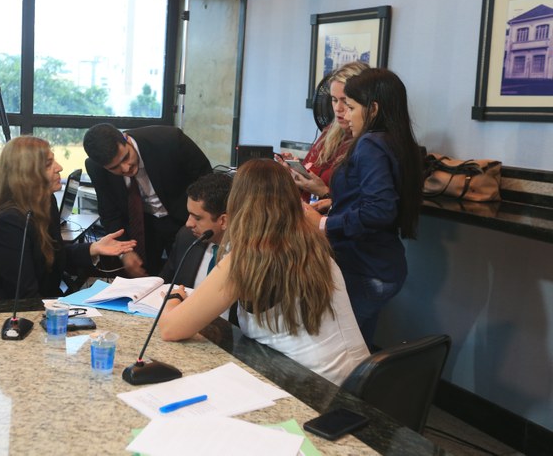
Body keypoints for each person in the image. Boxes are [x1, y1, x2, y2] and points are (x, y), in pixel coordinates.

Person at [157, 159, 369, 386]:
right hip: (360, 379)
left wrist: (173, 298)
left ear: (237, 203)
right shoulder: (315, 246)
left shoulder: (247, 258)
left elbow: (171, 329)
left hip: (310, 386)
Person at [303, 68, 423, 346]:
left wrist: (323, 224)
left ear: (374, 109)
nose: (344, 114)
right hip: (382, 265)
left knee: (334, 350)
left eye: (351, 107)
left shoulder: (370, 143)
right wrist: (336, 203)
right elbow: (379, 198)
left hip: (364, 267)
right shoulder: (396, 140)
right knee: (358, 347)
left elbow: (380, 210)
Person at [0, 136, 136, 300]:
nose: (59, 167)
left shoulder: (46, 201)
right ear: (25, 174)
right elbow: (23, 295)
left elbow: (54, 256)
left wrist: (93, 248)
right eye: (48, 164)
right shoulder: (9, 221)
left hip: (44, 301)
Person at [83, 123, 212, 277]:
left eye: (126, 157)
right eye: (114, 167)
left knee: (188, 274)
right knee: (142, 278)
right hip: (142, 225)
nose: (125, 168)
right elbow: (109, 213)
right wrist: (124, 252)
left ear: (126, 139)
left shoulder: (170, 140)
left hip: (184, 218)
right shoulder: (95, 168)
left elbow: (207, 183)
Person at [277, 61, 369, 203]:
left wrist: (323, 192)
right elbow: (309, 171)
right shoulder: (329, 132)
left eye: (345, 101)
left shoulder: (368, 145)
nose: (338, 108)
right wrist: (294, 173)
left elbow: (362, 207)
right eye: (334, 100)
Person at [159, 172, 232, 289]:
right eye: (189, 214)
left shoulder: (248, 256)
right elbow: (162, 285)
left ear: (223, 221)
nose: (188, 224)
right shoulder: (186, 237)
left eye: (197, 218)